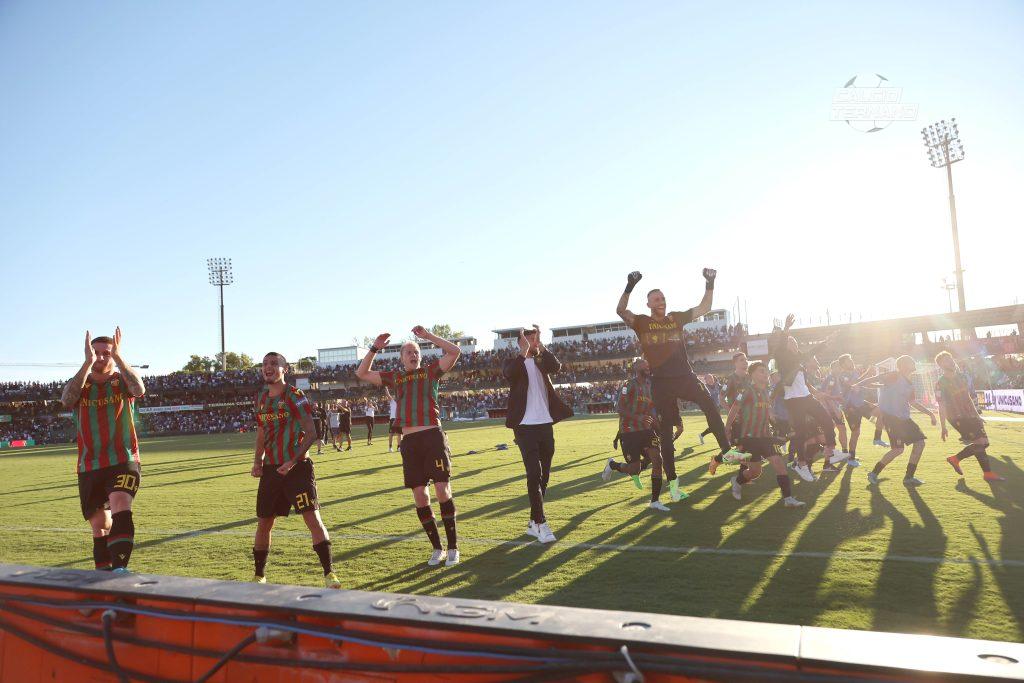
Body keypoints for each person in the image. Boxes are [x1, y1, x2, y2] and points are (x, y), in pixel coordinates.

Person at [616, 268, 742, 501]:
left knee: (710, 405)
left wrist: (710, 283)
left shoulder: (675, 318)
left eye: (663, 298)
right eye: (656, 299)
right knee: (665, 435)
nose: (661, 302)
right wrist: (630, 286)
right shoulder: (642, 322)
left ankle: (727, 451)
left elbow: (704, 308)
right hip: (661, 383)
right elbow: (621, 310)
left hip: (685, 376)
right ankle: (673, 485)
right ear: (648, 304)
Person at [357, 327, 462, 566]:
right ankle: (438, 548)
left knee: (442, 490)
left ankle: (454, 547)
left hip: (433, 437)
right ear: (401, 358)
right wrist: (374, 347)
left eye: (416, 351)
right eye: (408, 352)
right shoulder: (395, 377)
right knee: (420, 497)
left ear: (420, 356)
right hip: (410, 442)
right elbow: (362, 372)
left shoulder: (430, 372)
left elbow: (454, 351)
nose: (413, 355)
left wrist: (429, 338)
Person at [250, 352, 341, 588]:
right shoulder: (260, 397)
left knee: (312, 519)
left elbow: (311, 433)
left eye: (273, 364)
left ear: (284, 369)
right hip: (271, 470)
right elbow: (261, 432)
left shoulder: (295, 396)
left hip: (297, 469)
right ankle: (259, 575)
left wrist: (291, 461)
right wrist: (257, 461)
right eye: (265, 364)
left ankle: (329, 573)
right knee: (264, 523)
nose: (268, 367)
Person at [60, 328, 146, 573]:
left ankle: (120, 570)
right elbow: (67, 400)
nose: (100, 357)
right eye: (95, 353)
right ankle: (103, 574)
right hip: (90, 464)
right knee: (100, 525)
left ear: (114, 354)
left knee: (120, 503)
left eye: (105, 353)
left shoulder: (121, 382)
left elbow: (139, 390)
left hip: (123, 458)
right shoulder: (81, 384)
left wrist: (119, 359)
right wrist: (86, 363)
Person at [502, 325, 574, 543]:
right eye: (529, 339)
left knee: (544, 474)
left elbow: (556, 366)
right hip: (524, 426)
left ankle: (533, 522)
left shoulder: (542, 360)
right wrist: (523, 352)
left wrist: (540, 346)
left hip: (544, 423)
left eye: (535, 338)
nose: (533, 342)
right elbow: (509, 374)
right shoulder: (513, 363)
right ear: (520, 343)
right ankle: (541, 522)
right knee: (533, 473)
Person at [769, 314, 848, 483]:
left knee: (827, 420)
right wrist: (786, 329)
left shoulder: (799, 360)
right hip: (793, 401)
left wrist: (826, 342)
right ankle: (801, 464)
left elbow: (812, 352)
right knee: (800, 433)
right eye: (791, 342)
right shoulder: (782, 358)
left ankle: (831, 452)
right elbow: (782, 346)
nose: (794, 344)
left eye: (795, 342)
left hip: (806, 397)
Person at [725, 362, 805, 507]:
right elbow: (734, 408)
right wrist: (727, 428)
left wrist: (777, 421)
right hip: (749, 438)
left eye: (766, 371)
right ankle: (736, 481)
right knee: (756, 472)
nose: (766, 373)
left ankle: (788, 499)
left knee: (779, 463)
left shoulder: (766, 391)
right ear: (753, 374)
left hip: (766, 436)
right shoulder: (746, 390)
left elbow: (768, 412)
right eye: (762, 371)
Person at [856, 355, 937, 487]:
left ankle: (909, 477)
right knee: (898, 450)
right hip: (892, 419)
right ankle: (873, 473)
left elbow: (913, 402)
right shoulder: (894, 375)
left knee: (920, 443)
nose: (914, 363)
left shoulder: (910, 383)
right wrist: (858, 385)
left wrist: (930, 413)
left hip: (905, 419)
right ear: (904, 365)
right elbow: (876, 378)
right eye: (911, 362)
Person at [601, 358, 669, 511]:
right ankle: (612, 465)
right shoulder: (629, 385)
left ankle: (655, 501)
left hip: (646, 429)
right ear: (636, 368)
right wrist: (638, 417)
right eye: (644, 364)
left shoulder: (650, 385)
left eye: (648, 364)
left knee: (658, 460)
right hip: (629, 431)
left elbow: (651, 408)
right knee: (634, 470)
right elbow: (620, 408)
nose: (647, 366)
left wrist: (659, 427)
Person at [935, 351, 1004, 482]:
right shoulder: (941, 382)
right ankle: (987, 473)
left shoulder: (962, 377)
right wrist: (943, 427)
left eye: (950, 358)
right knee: (980, 442)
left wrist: (977, 414)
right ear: (941, 365)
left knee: (984, 443)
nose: (950, 361)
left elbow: (967, 397)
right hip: (957, 417)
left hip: (970, 414)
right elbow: (941, 405)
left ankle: (956, 460)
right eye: (946, 360)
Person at [387, 388, 403, 453]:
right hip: (393, 419)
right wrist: (386, 388)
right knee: (391, 434)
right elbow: (388, 395)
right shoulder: (392, 401)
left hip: (399, 418)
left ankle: (399, 447)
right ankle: (390, 447)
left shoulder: (401, 402)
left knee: (399, 434)